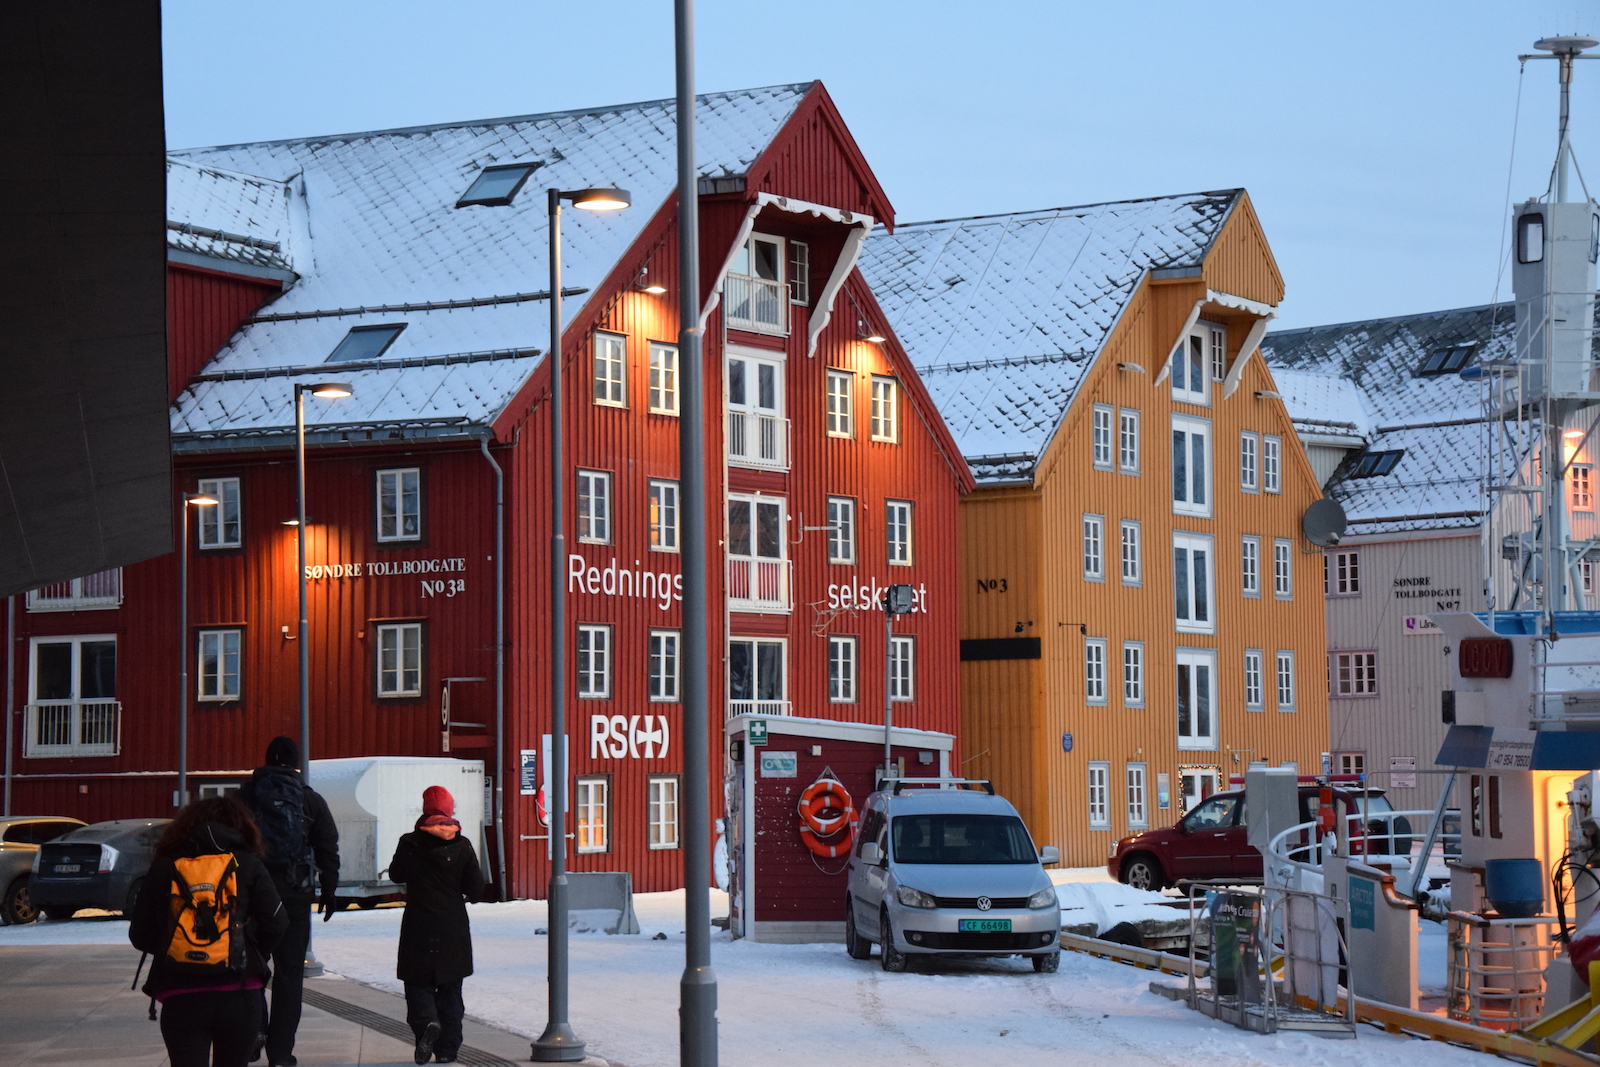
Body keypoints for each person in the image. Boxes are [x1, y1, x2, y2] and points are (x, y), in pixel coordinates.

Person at [128, 796, 289, 1067]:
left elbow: (140, 933)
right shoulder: (247, 862)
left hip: (181, 995)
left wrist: (178, 949)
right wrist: (245, 950)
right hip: (239, 991)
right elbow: (277, 921)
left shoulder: (166, 864)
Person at [239, 736, 340, 1067]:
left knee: (249, 968)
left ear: (266, 759)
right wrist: (329, 889)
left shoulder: (246, 796)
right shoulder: (310, 800)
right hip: (295, 898)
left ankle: (255, 1029)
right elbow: (328, 847)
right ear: (296, 763)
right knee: (289, 975)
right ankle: (281, 1054)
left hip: (254, 897)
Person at [389, 785, 485, 1065]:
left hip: (419, 923)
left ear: (425, 809)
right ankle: (447, 1051)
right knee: (451, 989)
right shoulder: (463, 844)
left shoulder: (410, 842)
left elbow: (396, 874)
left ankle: (427, 1023)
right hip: (452, 925)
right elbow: (476, 887)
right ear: (449, 809)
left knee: (417, 984)